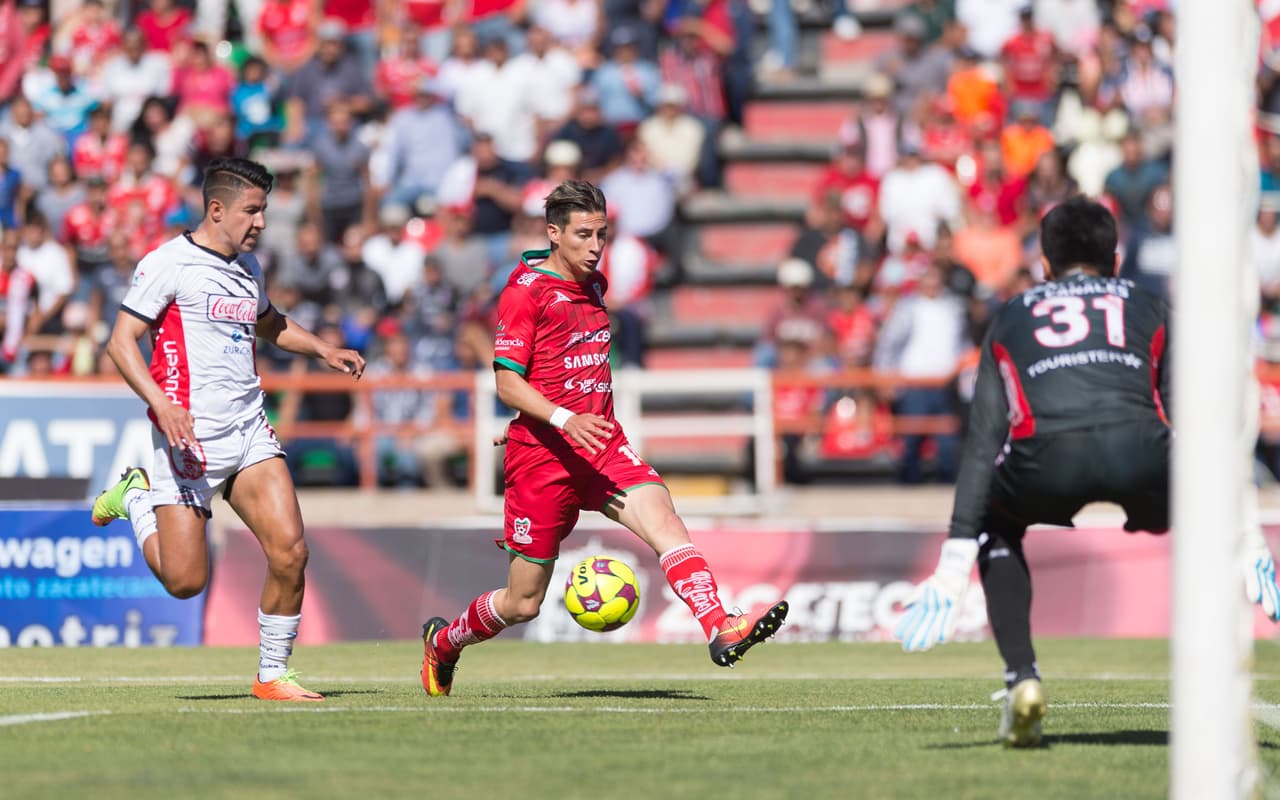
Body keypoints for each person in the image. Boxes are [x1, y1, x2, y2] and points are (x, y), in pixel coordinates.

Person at [892, 197, 1280, 747]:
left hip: (1047, 458)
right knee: (1200, 521)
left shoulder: (1010, 316)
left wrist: (954, 560)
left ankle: (1022, 679)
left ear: (1044, 266)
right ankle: (1212, 680)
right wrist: (1245, 533)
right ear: (1115, 261)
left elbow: (982, 444)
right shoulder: (1149, 305)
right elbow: (1198, 427)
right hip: (1140, 452)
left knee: (997, 524)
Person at [419, 180, 788, 696]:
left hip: (601, 445)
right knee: (523, 602)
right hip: (543, 460)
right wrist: (555, 419)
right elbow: (506, 382)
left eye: (602, 235)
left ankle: (719, 625)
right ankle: (445, 642)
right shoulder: (525, 292)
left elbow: (563, 367)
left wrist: (560, 416)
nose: (595, 247)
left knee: (664, 520)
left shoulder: (594, 285)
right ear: (553, 233)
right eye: (584, 235)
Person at [88, 157, 366, 702]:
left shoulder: (248, 267)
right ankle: (136, 496)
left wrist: (323, 349)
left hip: (248, 429)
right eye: (252, 210)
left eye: (264, 210)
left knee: (291, 551)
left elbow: (271, 323)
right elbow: (120, 343)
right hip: (187, 439)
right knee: (185, 581)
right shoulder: (167, 263)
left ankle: (272, 674)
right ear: (216, 209)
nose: (261, 222)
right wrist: (162, 404)